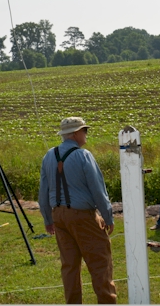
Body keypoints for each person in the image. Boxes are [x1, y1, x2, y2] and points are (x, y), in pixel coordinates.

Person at [39, 117, 117, 304]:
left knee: (69, 266)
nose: (86, 134)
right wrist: (108, 215)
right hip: (82, 215)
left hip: (59, 216)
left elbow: (43, 191)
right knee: (100, 262)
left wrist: (48, 219)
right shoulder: (84, 155)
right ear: (75, 134)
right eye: (84, 130)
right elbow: (98, 189)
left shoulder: (49, 155)